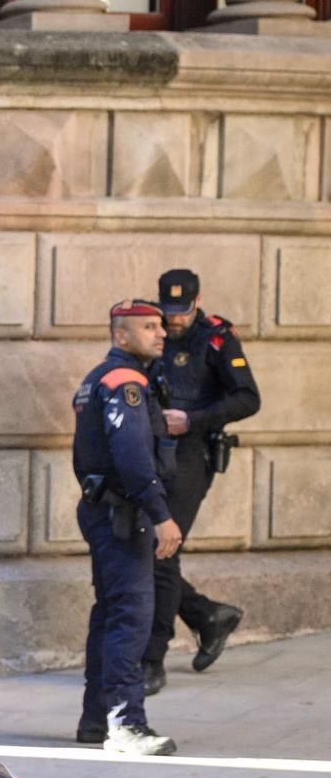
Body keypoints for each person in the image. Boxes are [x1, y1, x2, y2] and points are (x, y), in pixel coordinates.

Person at [140, 267, 260, 689]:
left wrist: (192, 419)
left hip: (192, 454)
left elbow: (248, 398)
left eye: (183, 310)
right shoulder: (147, 328)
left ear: (198, 300)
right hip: (149, 450)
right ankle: (208, 616)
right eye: (169, 310)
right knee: (144, 545)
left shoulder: (217, 338)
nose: (175, 320)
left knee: (163, 548)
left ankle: (152, 658)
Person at [72, 300, 182, 755]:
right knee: (130, 619)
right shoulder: (125, 381)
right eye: (148, 327)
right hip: (125, 516)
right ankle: (125, 724)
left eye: (160, 326)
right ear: (122, 335)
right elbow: (134, 456)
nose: (160, 334)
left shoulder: (103, 377)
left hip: (107, 511)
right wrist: (161, 514)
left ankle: (96, 721)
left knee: (110, 615)